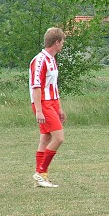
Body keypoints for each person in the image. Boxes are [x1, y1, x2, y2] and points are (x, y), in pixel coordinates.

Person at [30, 27, 66, 188]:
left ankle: (41, 176)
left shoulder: (52, 59)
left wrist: (59, 108)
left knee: (45, 138)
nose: (63, 44)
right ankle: (40, 172)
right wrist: (38, 109)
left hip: (51, 103)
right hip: (43, 103)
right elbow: (36, 86)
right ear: (56, 42)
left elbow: (53, 86)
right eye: (63, 41)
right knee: (58, 138)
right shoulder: (39, 60)